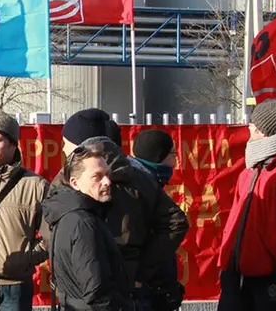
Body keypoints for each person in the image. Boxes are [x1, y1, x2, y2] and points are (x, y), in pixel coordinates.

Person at [56, 108, 188, 307]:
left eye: (66, 144)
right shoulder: (139, 176)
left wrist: (141, 270)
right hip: (102, 285)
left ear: (80, 146)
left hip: (97, 288)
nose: (105, 183)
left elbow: (175, 222)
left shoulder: (67, 180)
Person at [218, 99, 276, 311]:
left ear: (264, 130)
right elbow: (234, 220)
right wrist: (225, 261)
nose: (249, 127)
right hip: (236, 274)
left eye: (253, 123)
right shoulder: (250, 169)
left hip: (270, 278)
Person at [42, 142, 134, 310]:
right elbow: (97, 292)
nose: (107, 181)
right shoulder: (83, 222)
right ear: (75, 183)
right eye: (97, 176)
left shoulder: (72, 213)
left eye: (107, 174)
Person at [0, 112, 49, 311]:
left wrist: (26, 259)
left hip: (16, 287)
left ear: (13, 145)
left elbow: (52, 235)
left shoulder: (36, 186)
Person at [129, 129, 185, 311]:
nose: (176, 160)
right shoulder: (142, 186)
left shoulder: (146, 180)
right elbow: (176, 224)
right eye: (172, 154)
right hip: (145, 288)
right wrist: (142, 274)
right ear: (158, 156)